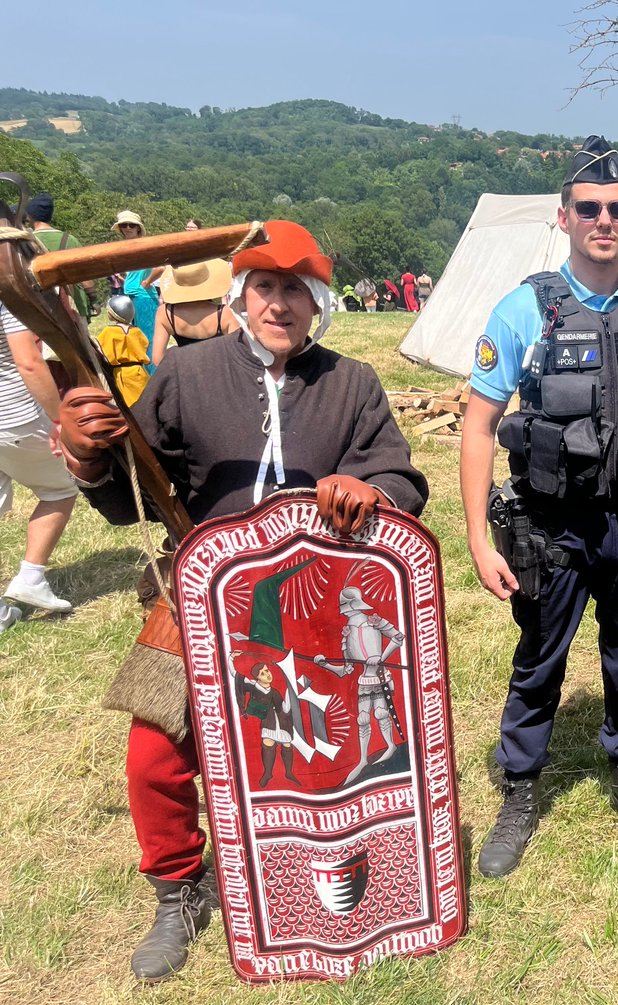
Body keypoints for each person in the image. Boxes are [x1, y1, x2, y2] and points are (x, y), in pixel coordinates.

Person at [56, 220, 430, 982]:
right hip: (195, 594)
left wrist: (370, 490)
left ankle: (318, 867)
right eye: (265, 286)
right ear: (240, 296)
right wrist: (89, 451)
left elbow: (402, 479)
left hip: (314, 605)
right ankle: (179, 889)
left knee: (316, 756)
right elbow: (132, 498)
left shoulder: (351, 382)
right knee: (154, 755)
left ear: (318, 300)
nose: (280, 303)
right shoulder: (187, 377)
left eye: (296, 288)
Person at [460, 136, 618, 879]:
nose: (604, 219)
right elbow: (478, 423)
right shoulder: (523, 310)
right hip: (549, 523)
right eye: (590, 208)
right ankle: (520, 788)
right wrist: (478, 538)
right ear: (564, 216)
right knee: (539, 658)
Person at [0, 299, 78, 619]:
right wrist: (59, 420)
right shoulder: (5, 298)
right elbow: (29, 362)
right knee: (60, 489)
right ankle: (31, 576)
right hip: (14, 417)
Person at [314, 587, 406, 784]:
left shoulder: (374, 622)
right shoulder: (347, 634)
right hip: (364, 679)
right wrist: (325, 664)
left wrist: (381, 657)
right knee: (363, 718)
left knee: (381, 713)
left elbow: (398, 637)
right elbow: (345, 670)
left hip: (379, 676)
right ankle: (363, 759)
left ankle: (390, 745)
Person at [151, 258, 236, 368]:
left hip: (184, 377)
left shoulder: (165, 313)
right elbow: (238, 354)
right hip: (218, 374)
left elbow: (157, 359)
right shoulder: (224, 314)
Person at [26, 193, 95, 317]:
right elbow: (85, 276)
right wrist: (93, 299)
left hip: (41, 307)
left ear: (30, 216)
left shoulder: (26, 242)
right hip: (73, 306)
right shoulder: (69, 239)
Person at [112, 211, 164, 361]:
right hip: (131, 296)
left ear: (138, 228)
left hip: (143, 297)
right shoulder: (126, 247)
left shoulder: (145, 246)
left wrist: (147, 282)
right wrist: (126, 279)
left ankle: (154, 377)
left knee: (148, 340)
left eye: (132, 225)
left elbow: (160, 267)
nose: (128, 228)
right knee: (136, 340)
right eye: (124, 225)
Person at [95, 295, 151, 405]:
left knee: (129, 405)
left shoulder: (109, 332)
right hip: (140, 372)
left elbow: (103, 355)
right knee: (145, 401)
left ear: (113, 314)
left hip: (122, 375)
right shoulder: (137, 331)